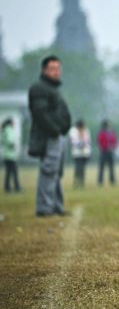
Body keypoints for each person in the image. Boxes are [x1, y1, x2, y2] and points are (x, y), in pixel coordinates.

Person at [28, 55, 71, 216]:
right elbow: (40, 113)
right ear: (44, 70)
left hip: (58, 135)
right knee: (49, 171)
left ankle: (56, 206)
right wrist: (55, 129)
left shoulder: (53, 90)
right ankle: (44, 208)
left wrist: (63, 127)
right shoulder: (39, 88)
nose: (56, 72)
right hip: (49, 136)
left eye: (58, 69)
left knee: (56, 172)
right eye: (52, 69)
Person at [68, 118, 92, 188]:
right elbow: (73, 141)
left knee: (82, 168)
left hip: (85, 152)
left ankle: (82, 182)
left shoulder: (86, 130)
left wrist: (84, 144)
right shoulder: (73, 131)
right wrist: (81, 144)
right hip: (77, 153)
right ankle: (76, 182)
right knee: (78, 168)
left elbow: (88, 140)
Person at [1, 117, 21, 193]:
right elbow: (10, 141)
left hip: (6, 155)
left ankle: (7, 187)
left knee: (8, 173)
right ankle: (17, 187)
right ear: (10, 123)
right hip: (11, 155)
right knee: (14, 172)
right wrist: (14, 145)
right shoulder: (9, 129)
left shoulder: (4, 130)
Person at [97, 119, 118, 186]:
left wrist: (113, 146)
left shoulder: (112, 132)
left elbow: (115, 140)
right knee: (101, 167)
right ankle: (100, 181)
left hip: (110, 151)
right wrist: (106, 146)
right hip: (104, 151)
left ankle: (112, 180)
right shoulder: (102, 133)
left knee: (111, 167)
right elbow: (100, 142)